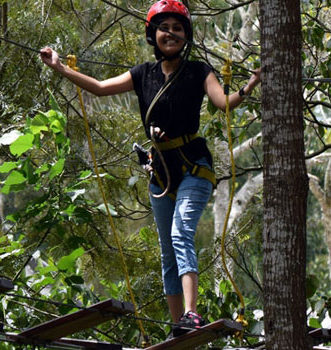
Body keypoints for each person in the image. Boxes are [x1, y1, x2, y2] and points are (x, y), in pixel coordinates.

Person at [39, 0, 260, 338]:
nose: (169, 33)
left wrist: (249, 85)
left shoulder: (199, 71)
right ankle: (178, 328)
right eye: (163, 27)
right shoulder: (143, 74)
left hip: (193, 168)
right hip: (160, 172)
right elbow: (99, 88)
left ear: (186, 36)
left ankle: (191, 314)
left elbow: (223, 103)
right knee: (167, 249)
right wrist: (61, 68)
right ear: (153, 35)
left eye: (176, 28)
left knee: (180, 232)